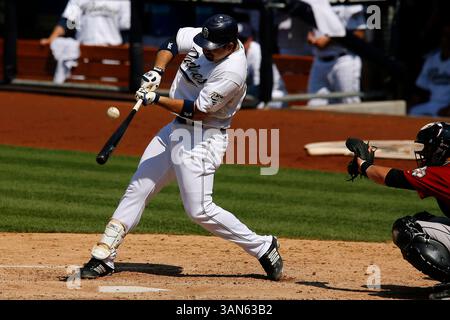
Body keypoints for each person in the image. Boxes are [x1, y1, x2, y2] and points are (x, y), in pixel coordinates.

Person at [79, 14, 283, 281]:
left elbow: (198, 111)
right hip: (175, 130)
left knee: (199, 210)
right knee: (137, 189)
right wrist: (158, 70)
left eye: (213, 50)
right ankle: (104, 257)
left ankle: (263, 246)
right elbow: (173, 41)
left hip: (203, 138)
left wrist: (156, 98)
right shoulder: (207, 37)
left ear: (230, 45)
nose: (206, 53)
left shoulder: (233, 71)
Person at [346, 122, 450, 299]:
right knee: (422, 219)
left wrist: (363, 165)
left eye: (429, 148)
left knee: (406, 229)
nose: (424, 153)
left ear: (443, 148)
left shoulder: (443, 173)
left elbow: (394, 178)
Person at [307, 4, 366, 106]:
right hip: (319, 60)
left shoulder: (350, 4)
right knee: (314, 104)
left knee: (350, 105)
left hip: (343, 60)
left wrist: (329, 39)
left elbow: (360, 33)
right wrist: (310, 36)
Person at [237, 22, 288, 109]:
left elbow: (259, 86)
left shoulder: (257, 51)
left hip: (274, 93)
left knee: (257, 105)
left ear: (250, 39)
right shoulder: (234, 53)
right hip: (254, 92)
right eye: (237, 40)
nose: (240, 44)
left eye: (243, 40)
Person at [40, 0, 131, 46]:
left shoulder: (123, 1)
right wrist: (51, 38)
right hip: (84, 49)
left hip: (110, 51)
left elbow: (126, 28)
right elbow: (68, 21)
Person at [408, 25, 450, 117]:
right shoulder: (431, 60)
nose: (446, 39)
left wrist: (448, 108)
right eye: (444, 35)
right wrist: (411, 103)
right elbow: (420, 89)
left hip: (447, 107)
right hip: (432, 104)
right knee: (413, 111)